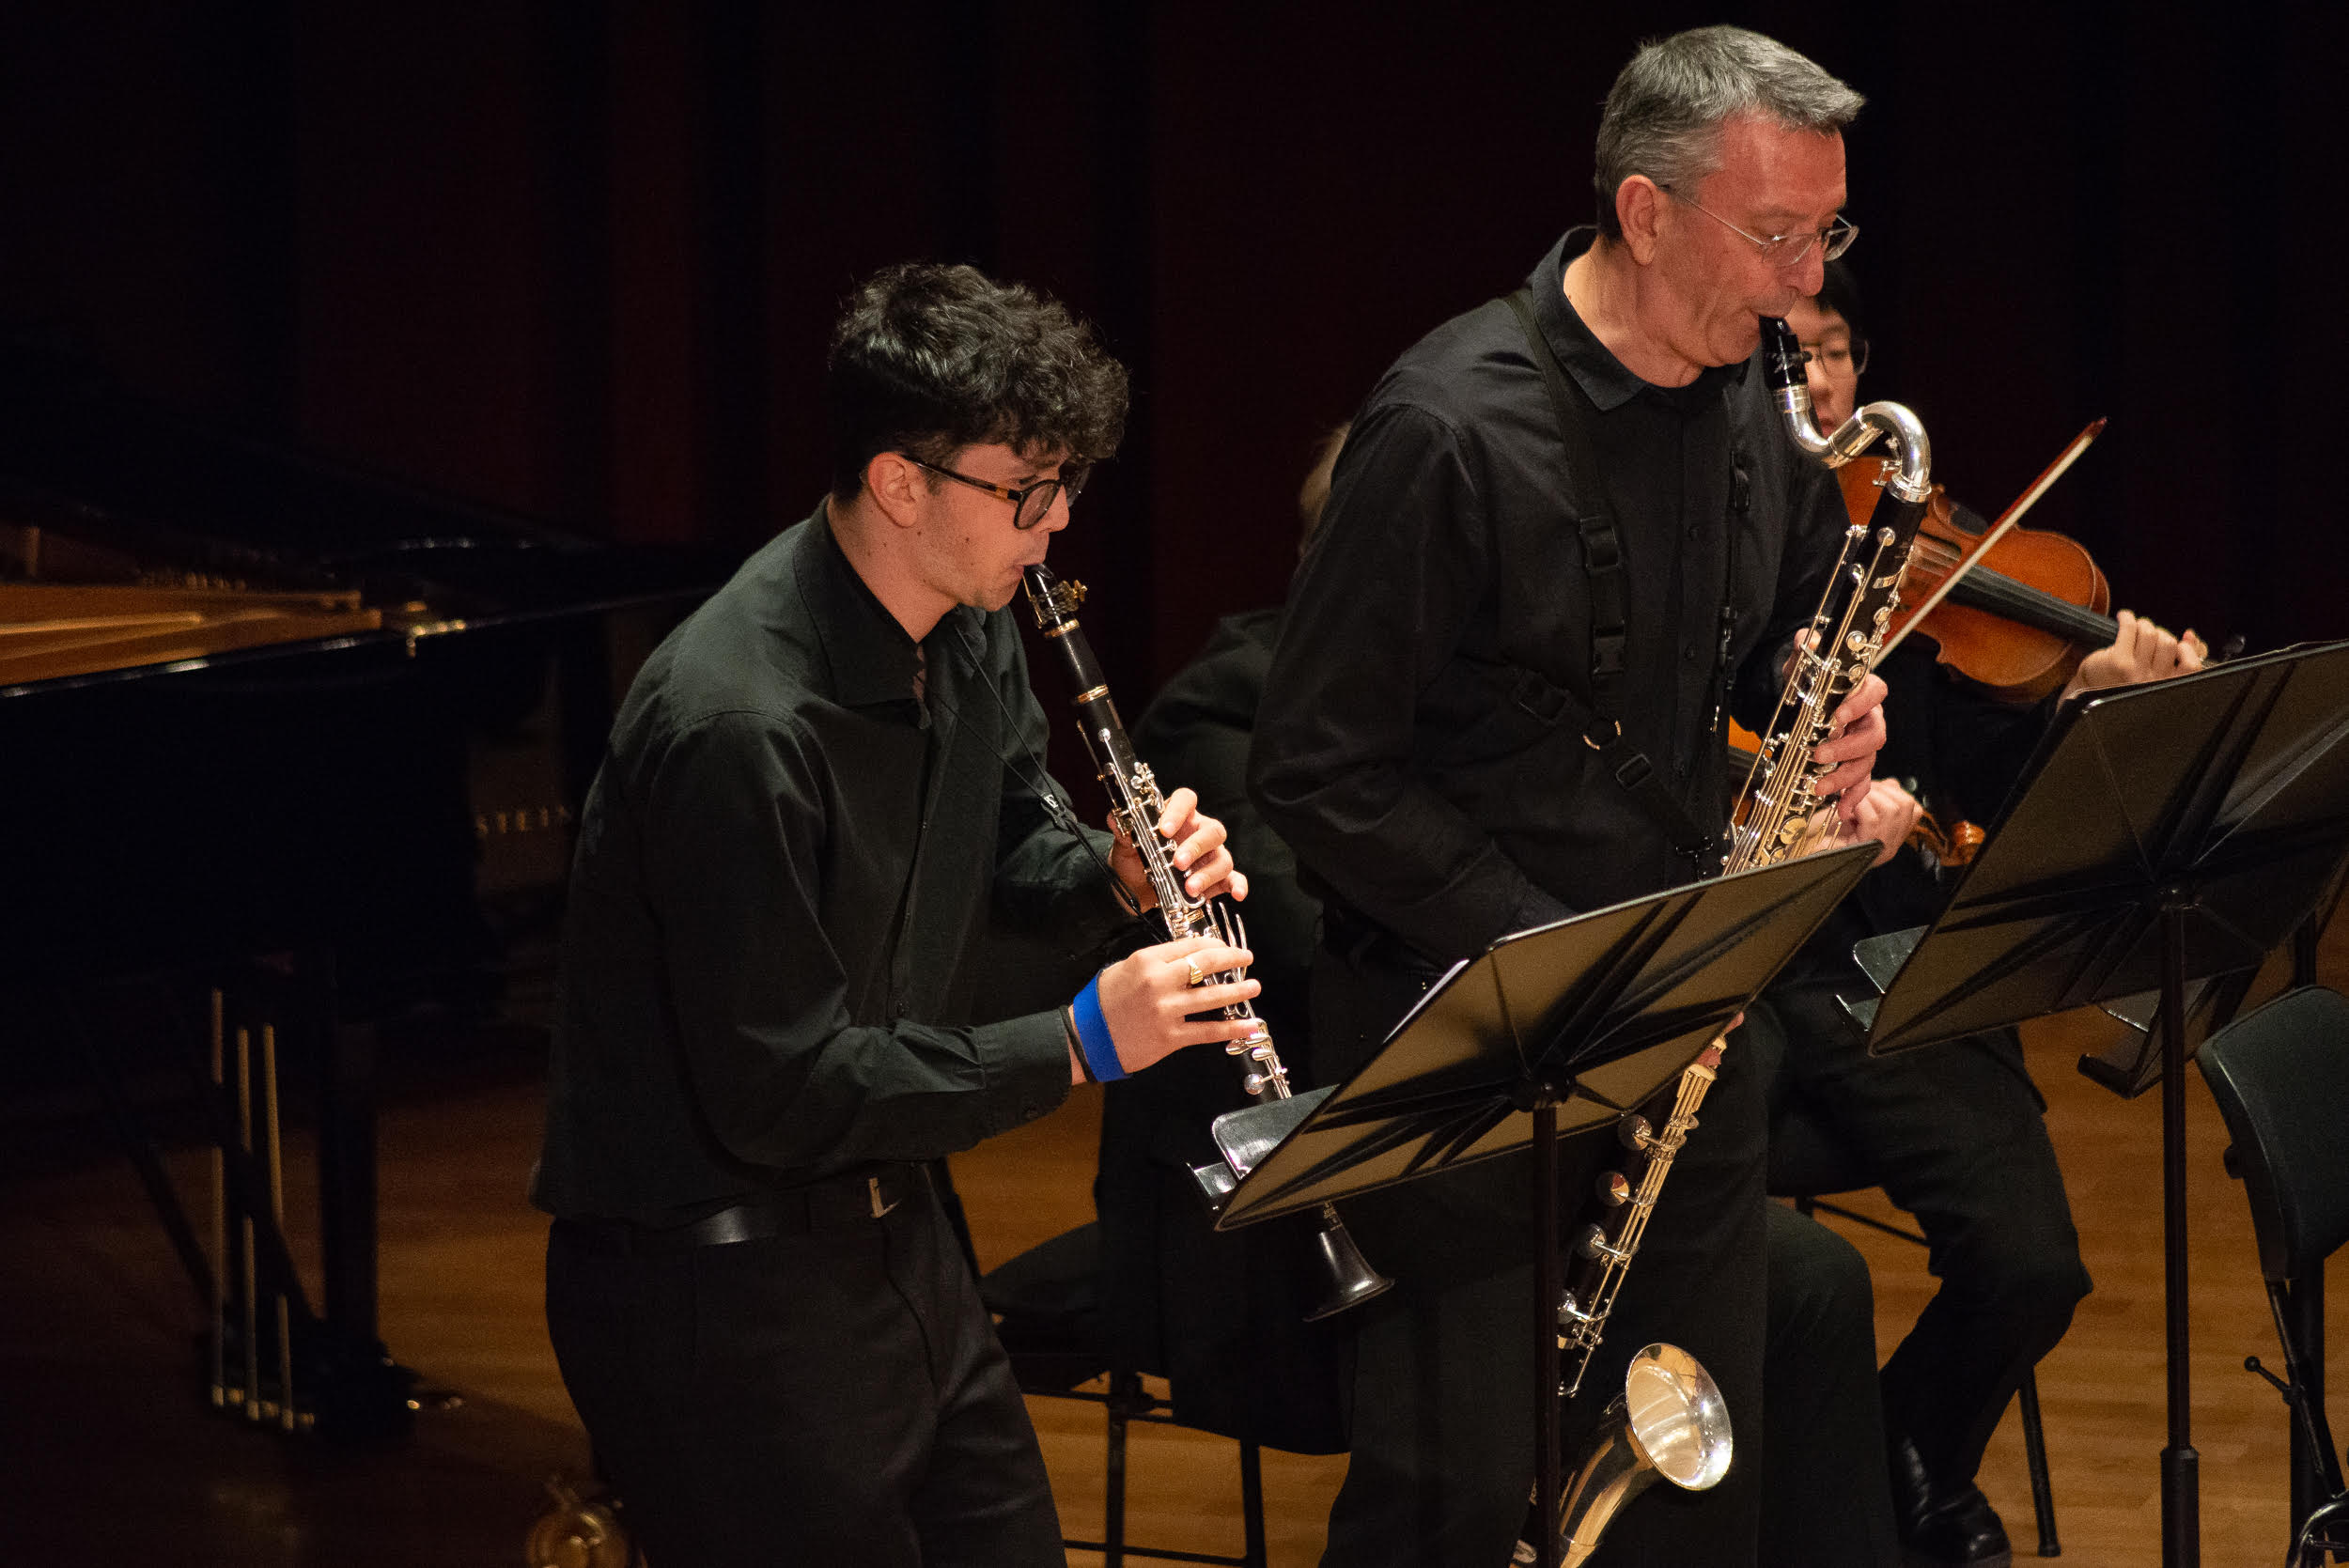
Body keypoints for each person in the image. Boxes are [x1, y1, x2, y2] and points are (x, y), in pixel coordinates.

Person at [1250, 27, 1894, 1566]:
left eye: (1828, 234)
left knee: (1689, 1488)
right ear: (1645, 212)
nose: (1807, 282)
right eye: (1775, 234)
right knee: (1467, 1508)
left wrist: (1830, 702)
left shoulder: (1757, 405)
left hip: (1685, 1031)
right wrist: (1565, 962)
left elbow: (1786, 624)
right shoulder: (1447, 429)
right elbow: (1318, 768)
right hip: (1474, 1050)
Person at [531, 261, 1273, 1568]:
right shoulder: (737, 726)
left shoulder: (969, 624)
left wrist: (1114, 875)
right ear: (900, 483)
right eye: (1026, 490)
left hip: (902, 1238)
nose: (1056, 523)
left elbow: (1009, 845)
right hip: (717, 1291)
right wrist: (1079, 1042)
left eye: (1067, 485)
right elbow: (784, 1091)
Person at [1756, 262, 2201, 1567]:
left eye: (1836, 350)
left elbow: (1993, 793)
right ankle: (1861, 1500)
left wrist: (2086, 697)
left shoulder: (1918, 562)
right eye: (1790, 356)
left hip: (1896, 956)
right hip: (1764, 960)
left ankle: (1901, 1453)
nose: (1820, 382)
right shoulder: (1715, 541)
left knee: (2033, 1267)